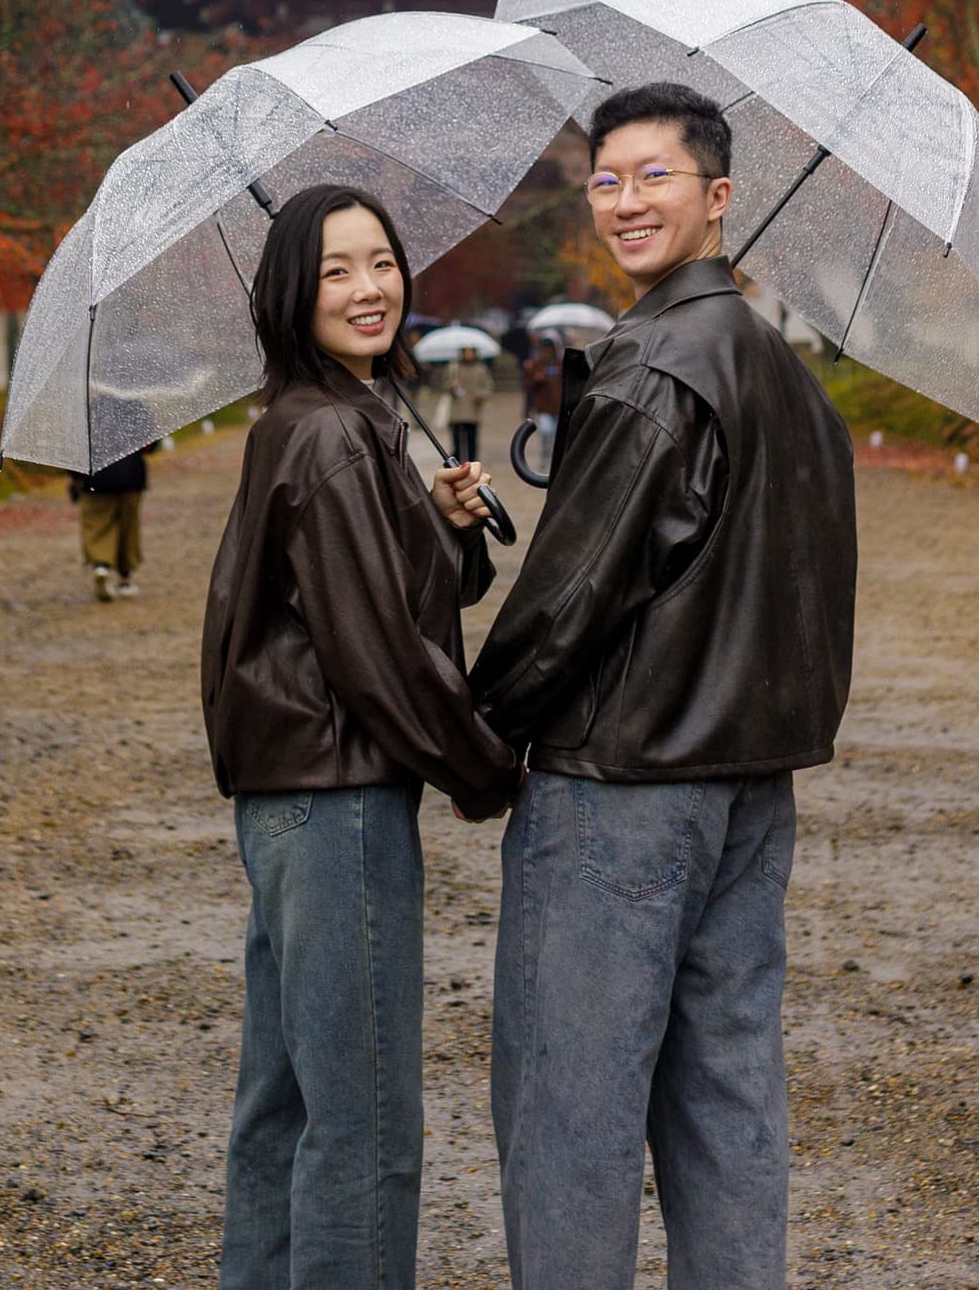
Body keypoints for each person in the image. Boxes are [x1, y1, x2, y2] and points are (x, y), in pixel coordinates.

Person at [468, 81, 858, 1290]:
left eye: (656, 177)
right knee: (726, 1097)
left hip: (621, 786)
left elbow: (566, 603)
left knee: (571, 1111)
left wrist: (476, 730)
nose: (627, 201)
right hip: (749, 788)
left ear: (721, 196)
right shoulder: (786, 377)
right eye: (608, 178)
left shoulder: (653, 368)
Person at [198, 182, 520, 1290]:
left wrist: (439, 524)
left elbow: (371, 599)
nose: (369, 286)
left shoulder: (320, 419)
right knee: (367, 1125)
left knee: (287, 1105)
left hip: (290, 801)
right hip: (337, 806)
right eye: (336, 270)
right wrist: (493, 772)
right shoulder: (334, 433)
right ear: (294, 292)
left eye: (380, 260)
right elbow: (378, 654)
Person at [69, 438, 155, 600]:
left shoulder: (84, 413)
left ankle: (101, 566)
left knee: (97, 524)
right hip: (131, 475)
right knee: (128, 527)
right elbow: (149, 443)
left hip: (95, 476)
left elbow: (74, 446)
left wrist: (75, 477)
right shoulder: (133, 411)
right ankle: (125, 578)